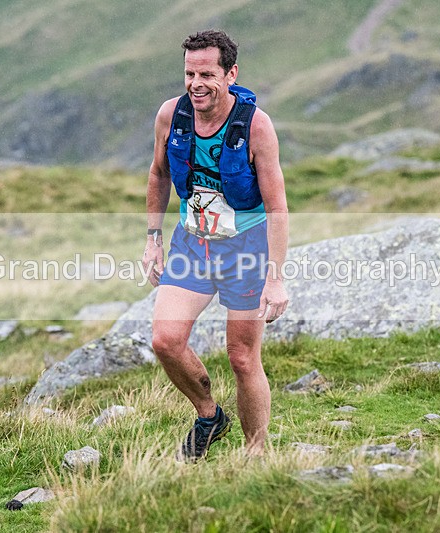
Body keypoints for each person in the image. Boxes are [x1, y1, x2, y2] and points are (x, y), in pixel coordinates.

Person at [142, 30, 289, 461]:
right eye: (189, 73)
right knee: (165, 340)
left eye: (207, 73)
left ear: (231, 73)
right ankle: (210, 415)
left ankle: (256, 455)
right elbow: (158, 175)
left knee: (242, 358)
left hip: (245, 249)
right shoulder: (171, 116)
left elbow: (277, 207)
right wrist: (153, 240)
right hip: (193, 244)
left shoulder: (256, 127)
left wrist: (275, 278)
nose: (196, 83)